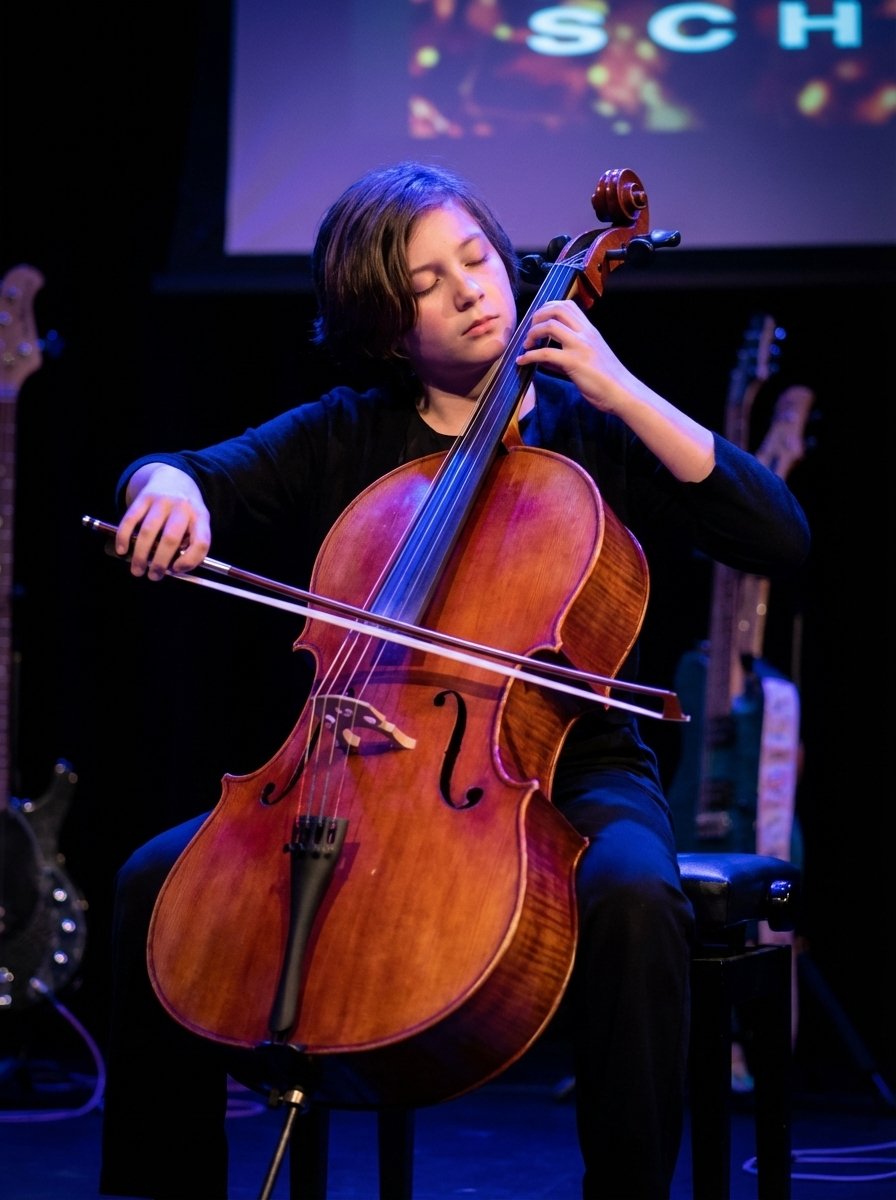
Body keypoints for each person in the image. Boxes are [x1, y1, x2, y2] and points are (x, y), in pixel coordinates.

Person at [98, 160, 810, 1200]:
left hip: (570, 766)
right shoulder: (348, 431)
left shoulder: (588, 425)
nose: (472, 290)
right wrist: (166, 487)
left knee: (633, 895)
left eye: (475, 258)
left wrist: (616, 384)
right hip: (352, 764)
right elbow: (187, 470)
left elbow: (779, 538)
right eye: (427, 284)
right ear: (388, 331)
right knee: (151, 881)